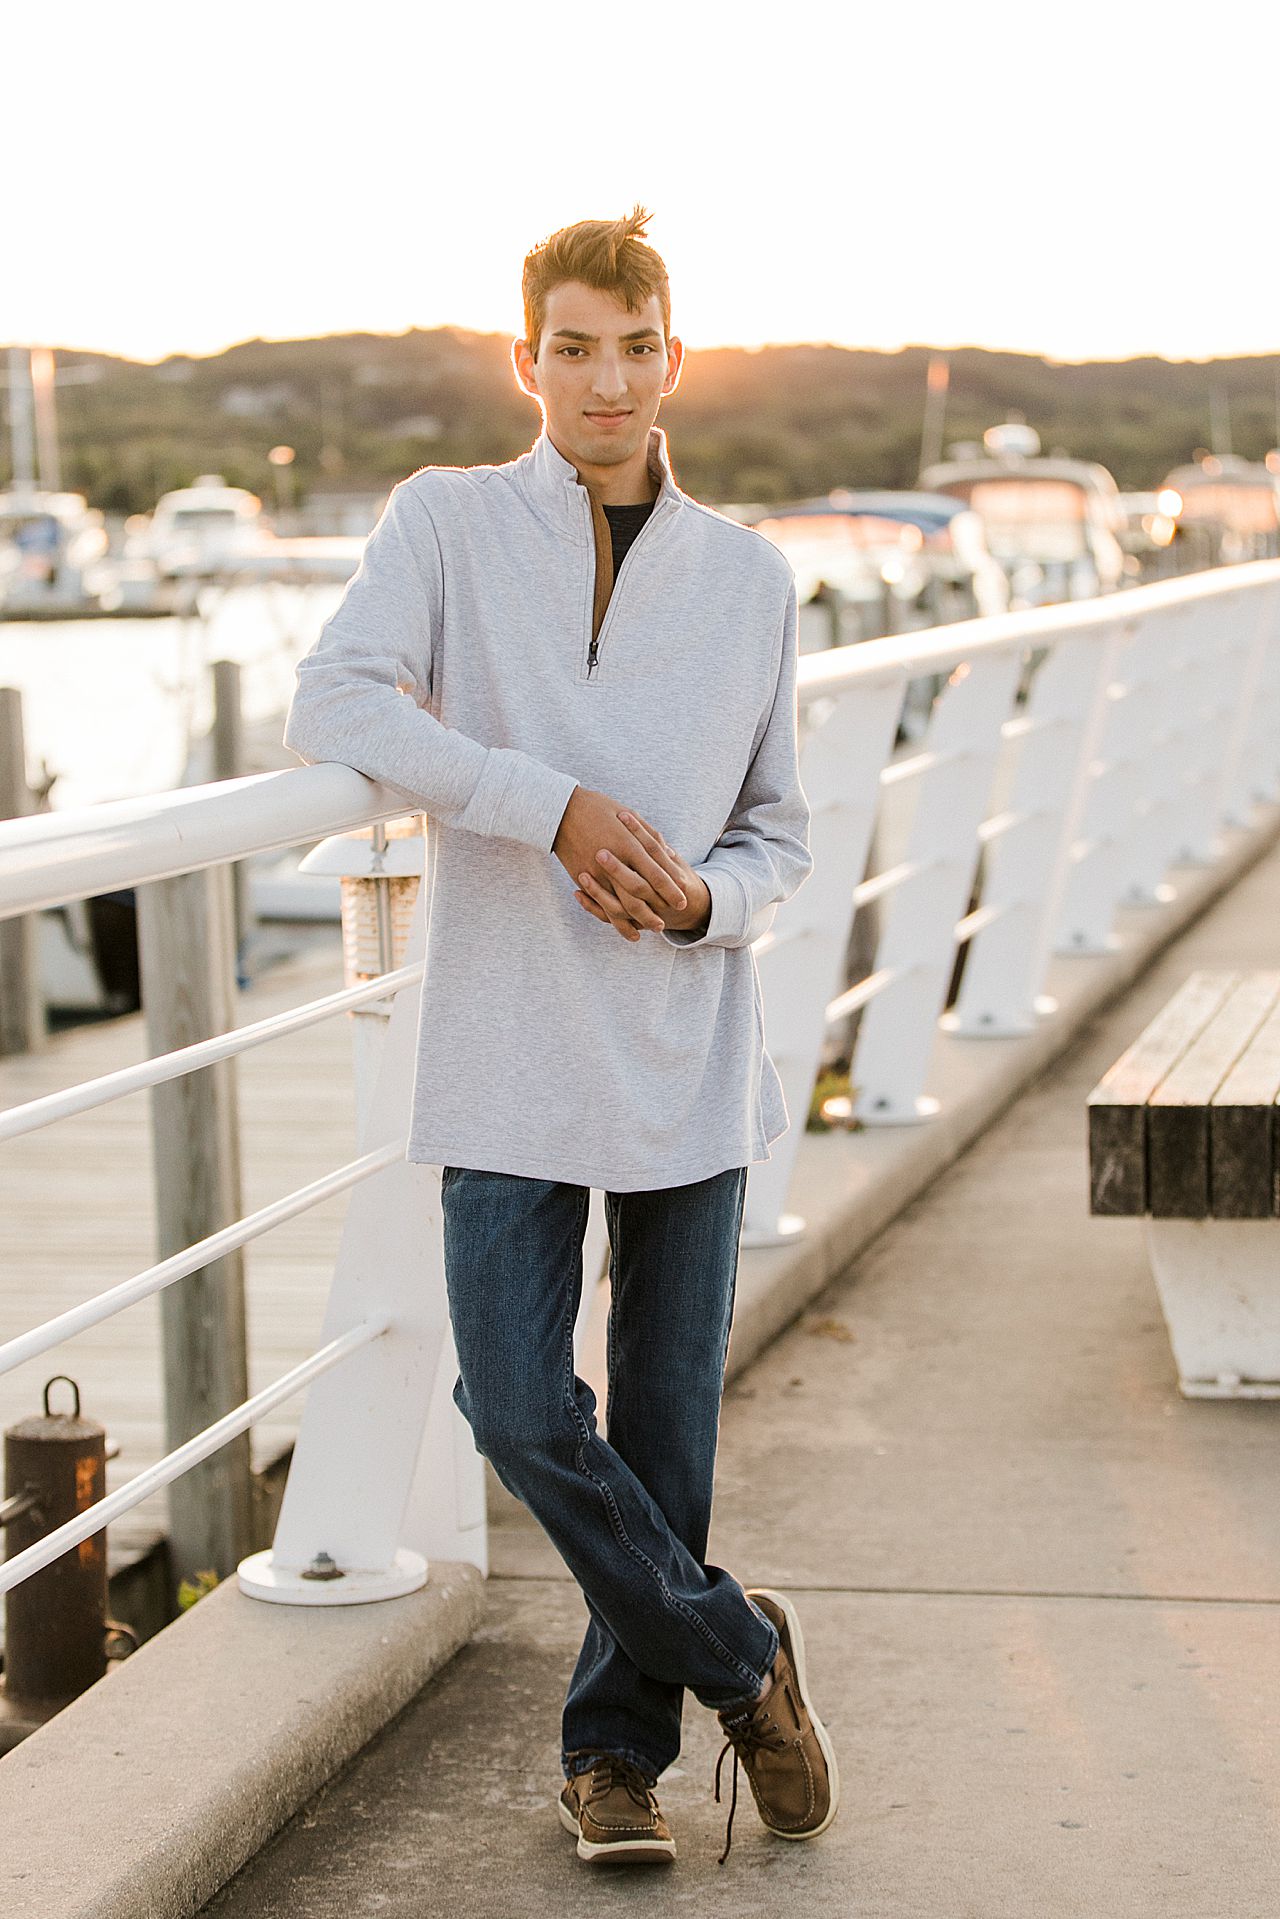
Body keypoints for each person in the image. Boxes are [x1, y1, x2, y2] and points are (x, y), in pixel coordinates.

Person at [282, 205, 837, 1869]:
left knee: (663, 1443)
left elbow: (778, 836)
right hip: (508, 1048)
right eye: (574, 350)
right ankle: (743, 1651)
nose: (608, 381)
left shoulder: (749, 577)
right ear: (527, 363)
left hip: (684, 1053)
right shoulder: (444, 527)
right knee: (518, 1407)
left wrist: (696, 907)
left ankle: (616, 1760)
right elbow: (341, 704)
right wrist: (553, 807)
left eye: (637, 347)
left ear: (677, 360)